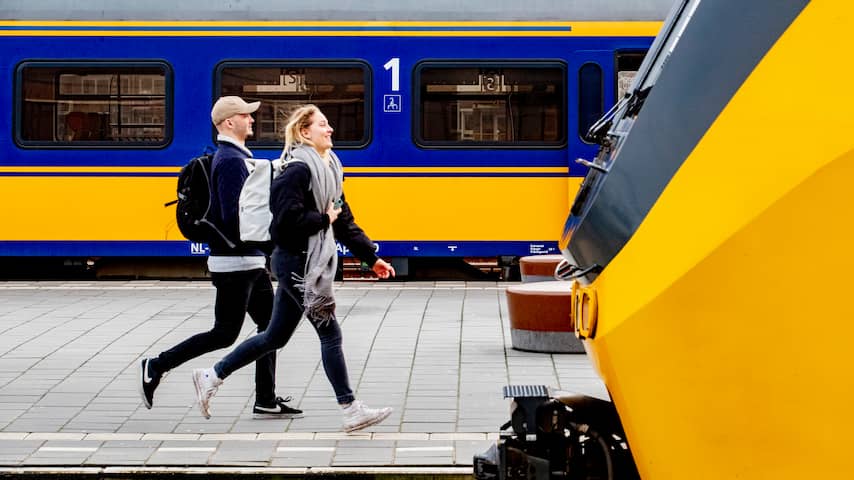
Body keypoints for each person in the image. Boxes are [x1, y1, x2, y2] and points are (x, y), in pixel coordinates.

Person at [191, 104, 396, 433]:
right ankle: (350, 408)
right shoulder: (296, 169)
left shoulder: (330, 169)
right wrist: (322, 219)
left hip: (304, 260)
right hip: (296, 262)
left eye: (328, 124)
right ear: (304, 132)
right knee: (330, 332)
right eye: (323, 124)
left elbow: (343, 219)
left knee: (274, 336)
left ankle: (211, 375)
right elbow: (285, 224)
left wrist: (371, 258)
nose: (330, 130)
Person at [139, 96, 302, 420]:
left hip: (248, 262)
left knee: (269, 328)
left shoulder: (237, 156)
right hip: (234, 263)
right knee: (225, 333)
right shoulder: (229, 160)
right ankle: (156, 365)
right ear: (229, 122)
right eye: (246, 116)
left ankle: (265, 399)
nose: (252, 120)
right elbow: (233, 217)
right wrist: (271, 241)